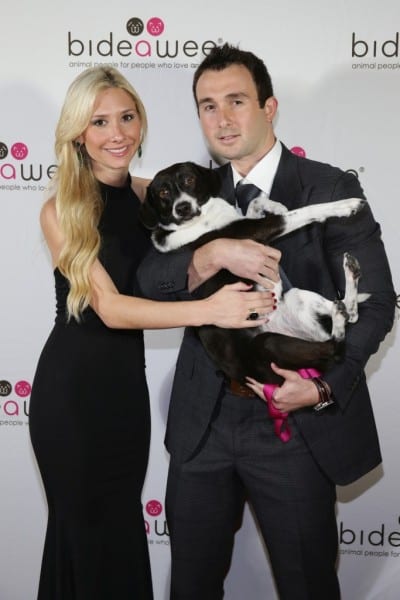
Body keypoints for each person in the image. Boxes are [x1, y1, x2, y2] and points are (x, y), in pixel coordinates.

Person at [136, 44, 396, 599]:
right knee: (191, 587)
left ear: (269, 106)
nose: (222, 119)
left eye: (236, 101)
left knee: (306, 585)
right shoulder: (191, 190)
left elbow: (376, 303)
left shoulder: (327, 187)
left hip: (295, 425)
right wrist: (209, 256)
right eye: (208, 106)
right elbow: (148, 282)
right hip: (202, 422)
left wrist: (322, 387)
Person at [28, 65, 276, 600]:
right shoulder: (61, 210)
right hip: (73, 395)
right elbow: (112, 309)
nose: (117, 133)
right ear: (78, 133)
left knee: (120, 526)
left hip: (125, 393)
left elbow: (209, 239)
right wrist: (210, 311)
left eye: (127, 117)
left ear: (141, 122)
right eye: (99, 122)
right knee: (84, 531)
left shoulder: (152, 195)